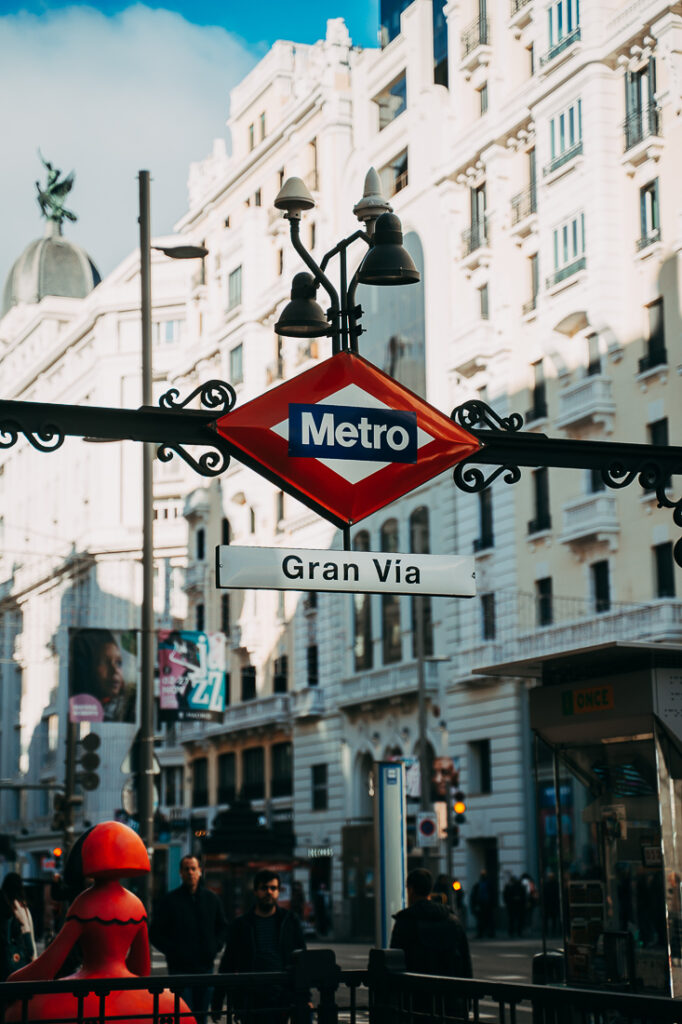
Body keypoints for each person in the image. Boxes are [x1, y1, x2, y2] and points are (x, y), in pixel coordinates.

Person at [4, 822, 195, 1024]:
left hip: (86, 990)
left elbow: (52, 962)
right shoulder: (136, 905)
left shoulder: (84, 903)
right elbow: (141, 968)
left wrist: (14, 982)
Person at [211, 869, 307, 1024]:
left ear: (278, 891)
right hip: (251, 996)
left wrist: (304, 996)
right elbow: (228, 963)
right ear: (256, 891)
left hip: (281, 995)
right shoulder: (241, 924)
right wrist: (217, 1002)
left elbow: (302, 959)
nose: (269, 892)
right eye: (264, 888)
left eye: (273, 888)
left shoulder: (290, 921)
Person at [150, 855, 227, 1020]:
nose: (190, 872)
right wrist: (173, 951)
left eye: (193, 868)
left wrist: (214, 947)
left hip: (204, 969)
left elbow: (222, 927)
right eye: (186, 869)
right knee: (184, 1016)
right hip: (179, 970)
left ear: (200, 871)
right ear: (180, 873)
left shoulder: (211, 899)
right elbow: (155, 932)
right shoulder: (170, 901)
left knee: (201, 1017)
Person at [390, 868, 472, 1023]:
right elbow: (465, 963)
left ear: (411, 889)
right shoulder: (452, 920)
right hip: (451, 1002)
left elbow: (394, 964)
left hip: (415, 1003)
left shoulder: (405, 922)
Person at [71, 628, 136, 722]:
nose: (115, 670)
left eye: (118, 663)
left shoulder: (128, 708)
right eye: (105, 662)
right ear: (89, 667)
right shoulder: (80, 707)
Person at [1, 873, 36, 980]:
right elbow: (25, 930)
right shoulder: (20, 907)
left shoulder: (8, 904)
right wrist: (31, 953)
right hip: (17, 955)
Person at [471, 869, 495, 938]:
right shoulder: (480, 884)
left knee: (486, 919)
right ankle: (483, 933)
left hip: (486, 904)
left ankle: (487, 933)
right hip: (482, 904)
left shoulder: (483, 884)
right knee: (482, 920)